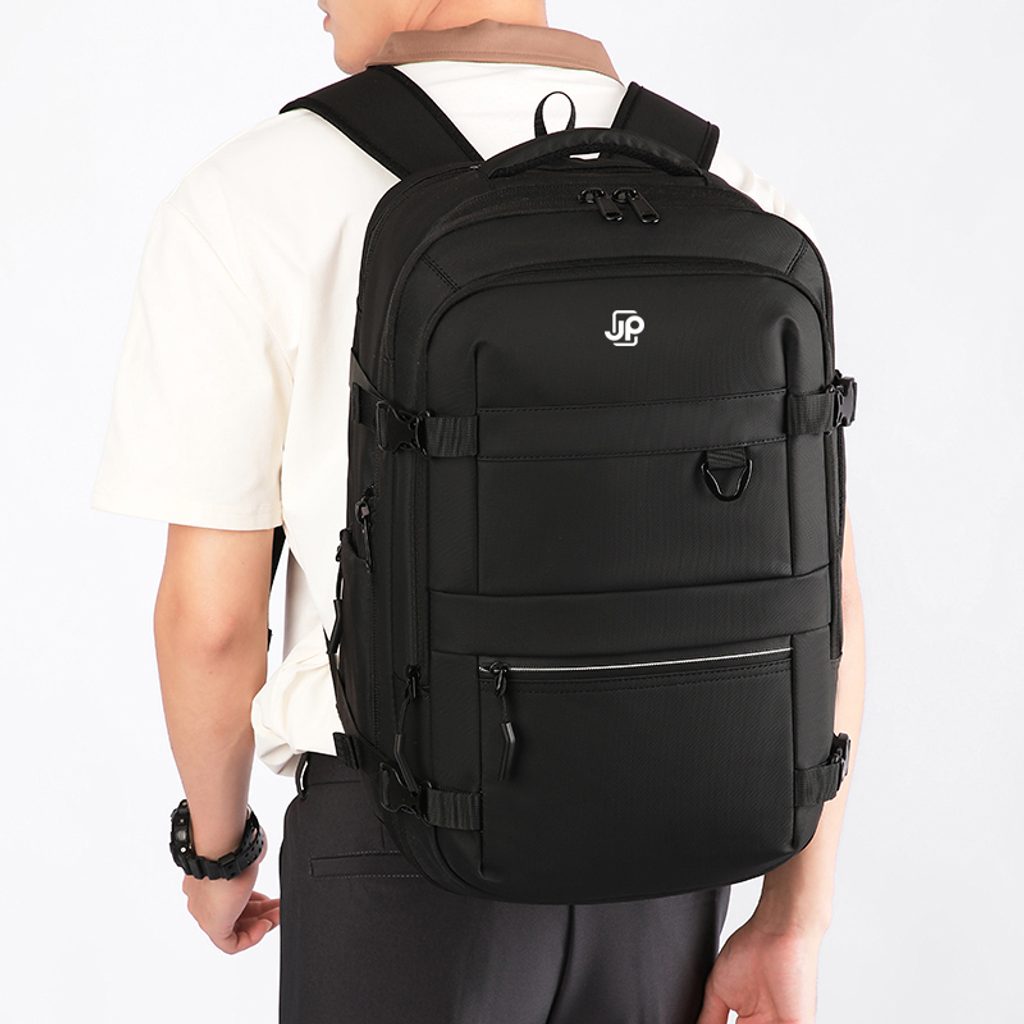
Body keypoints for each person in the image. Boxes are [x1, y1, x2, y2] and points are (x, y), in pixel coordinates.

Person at [92, 2, 865, 1021]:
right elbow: (821, 594)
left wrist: (217, 850)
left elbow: (212, 621)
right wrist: (792, 918)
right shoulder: (723, 190)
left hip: (402, 849)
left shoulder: (251, 196)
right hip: (674, 846)